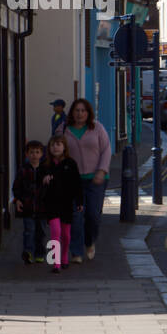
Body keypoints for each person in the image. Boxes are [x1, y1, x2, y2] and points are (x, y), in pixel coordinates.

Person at [62, 98, 112, 264]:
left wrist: (101, 170)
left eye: (83, 110)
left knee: (93, 215)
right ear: (72, 112)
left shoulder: (97, 128)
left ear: (88, 113)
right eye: (77, 110)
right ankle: (76, 252)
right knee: (76, 217)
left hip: (96, 179)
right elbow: (55, 151)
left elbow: (106, 150)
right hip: (73, 182)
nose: (80, 113)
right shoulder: (63, 129)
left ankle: (89, 242)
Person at [39, 134, 82, 273]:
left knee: (66, 235)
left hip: (66, 203)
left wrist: (79, 201)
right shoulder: (45, 164)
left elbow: (77, 184)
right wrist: (44, 179)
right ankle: (55, 262)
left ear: (64, 147)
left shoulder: (70, 164)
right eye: (52, 145)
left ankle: (64, 257)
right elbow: (38, 180)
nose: (55, 147)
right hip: (51, 203)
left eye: (58, 144)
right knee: (55, 232)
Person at [12, 140, 46, 264]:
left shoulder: (45, 170)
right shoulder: (23, 170)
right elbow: (16, 187)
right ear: (27, 154)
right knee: (29, 231)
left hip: (42, 208)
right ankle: (28, 252)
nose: (34, 155)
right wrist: (17, 200)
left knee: (41, 233)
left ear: (42, 154)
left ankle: (40, 253)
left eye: (37, 152)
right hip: (28, 206)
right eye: (31, 152)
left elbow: (49, 188)